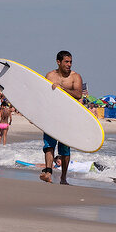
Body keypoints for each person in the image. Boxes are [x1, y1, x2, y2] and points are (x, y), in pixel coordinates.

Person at [42, 50, 83, 184]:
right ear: (58, 62)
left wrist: (62, 89)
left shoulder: (75, 77)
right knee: (49, 145)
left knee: (65, 149)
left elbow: (78, 94)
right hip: (51, 115)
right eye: (66, 61)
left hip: (67, 116)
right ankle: (48, 172)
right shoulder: (50, 76)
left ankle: (63, 178)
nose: (69, 64)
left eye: (70, 62)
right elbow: (42, 95)